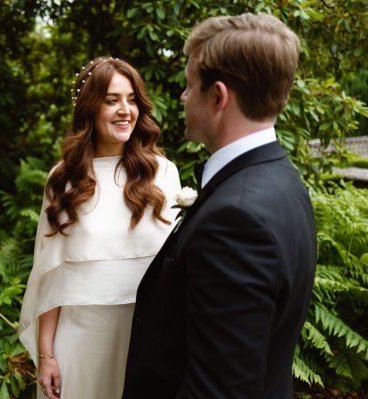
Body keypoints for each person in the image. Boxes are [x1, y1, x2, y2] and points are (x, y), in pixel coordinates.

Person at [123, 13, 317, 399]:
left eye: (189, 85)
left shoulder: (236, 220)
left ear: (218, 96)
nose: (182, 97)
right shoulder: (285, 180)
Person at [18, 57, 182, 399]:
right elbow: (51, 275)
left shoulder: (163, 175)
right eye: (112, 100)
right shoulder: (63, 180)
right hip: (80, 342)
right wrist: (46, 355)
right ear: (90, 108)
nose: (125, 110)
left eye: (132, 99)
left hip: (146, 341)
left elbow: (176, 272)